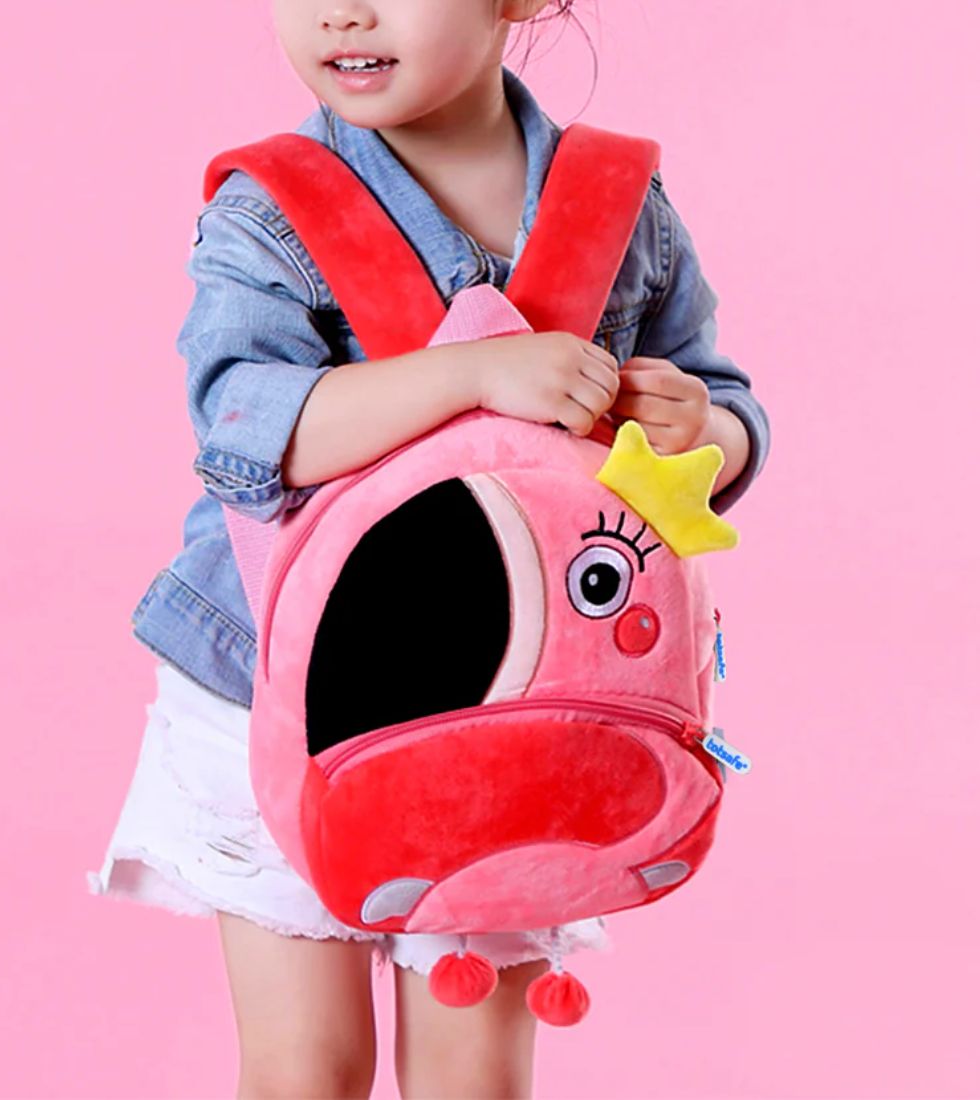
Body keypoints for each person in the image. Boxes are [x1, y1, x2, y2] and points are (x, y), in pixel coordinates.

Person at [87, 0, 772, 1095]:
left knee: (475, 1072)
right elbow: (247, 429)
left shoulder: (618, 205)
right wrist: (470, 374)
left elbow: (724, 404)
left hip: (519, 698)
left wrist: (697, 426)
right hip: (278, 692)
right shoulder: (275, 206)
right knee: (306, 1065)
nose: (339, 11)